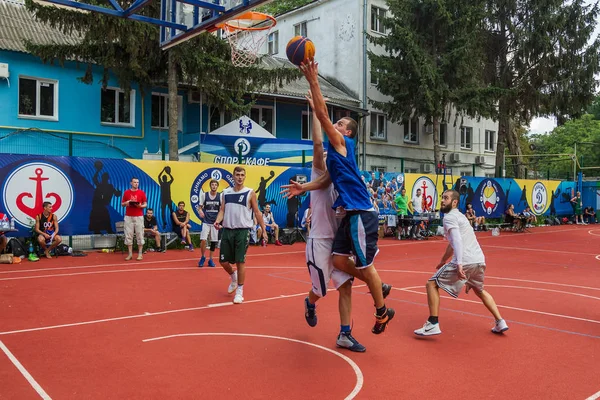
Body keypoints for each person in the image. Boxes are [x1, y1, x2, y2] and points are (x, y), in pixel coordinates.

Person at [284, 60, 395, 334]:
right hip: (332, 231)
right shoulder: (331, 163)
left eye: (341, 122)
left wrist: (313, 80)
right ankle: (319, 301)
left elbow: (323, 119)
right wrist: (304, 188)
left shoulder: (343, 144)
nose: (337, 122)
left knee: (357, 273)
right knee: (330, 275)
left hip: (359, 212)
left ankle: (378, 313)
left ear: (346, 133)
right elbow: (323, 178)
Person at [414, 190, 509, 336]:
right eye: (442, 197)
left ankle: (433, 323)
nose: (442, 200)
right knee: (480, 290)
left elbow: (457, 240)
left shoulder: (450, 217)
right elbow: (452, 243)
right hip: (478, 260)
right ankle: (500, 321)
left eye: (446, 198)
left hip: (464, 260)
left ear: (454, 202)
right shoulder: (461, 217)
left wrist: (459, 264)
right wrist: (443, 260)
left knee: (431, 284)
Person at [214, 166, 267, 304]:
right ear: (233, 176)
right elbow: (222, 210)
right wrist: (217, 221)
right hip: (227, 230)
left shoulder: (250, 193)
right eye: (237, 174)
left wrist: (264, 230)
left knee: (240, 261)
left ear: (245, 176)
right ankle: (233, 276)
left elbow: (257, 212)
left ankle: (240, 292)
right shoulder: (225, 193)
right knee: (223, 261)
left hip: (242, 231)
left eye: (242, 175)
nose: (240, 177)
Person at [197, 179, 222, 267]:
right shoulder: (204, 195)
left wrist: (219, 221)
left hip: (215, 222)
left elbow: (222, 210)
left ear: (217, 186)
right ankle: (203, 257)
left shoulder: (220, 196)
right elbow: (199, 207)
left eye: (215, 185)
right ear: (210, 186)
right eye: (212, 185)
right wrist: (200, 211)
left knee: (213, 242)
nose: (214, 186)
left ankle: (210, 259)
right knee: (203, 239)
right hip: (206, 221)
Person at [122, 177, 147, 261]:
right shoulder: (126, 192)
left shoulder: (141, 192)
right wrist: (127, 203)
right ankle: (130, 254)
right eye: (135, 182)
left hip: (138, 216)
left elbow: (145, 204)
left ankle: (140, 254)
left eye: (137, 182)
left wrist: (140, 206)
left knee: (140, 234)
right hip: (128, 216)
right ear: (131, 183)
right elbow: (122, 204)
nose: (136, 184)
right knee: (128, 235)